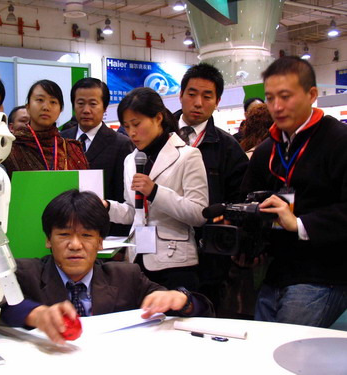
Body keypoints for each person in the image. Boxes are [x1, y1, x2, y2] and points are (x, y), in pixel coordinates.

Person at [1, 190, 213, 344]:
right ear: (48, 239)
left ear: (100, 242)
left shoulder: (126, 276)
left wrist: (182, 299)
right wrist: (36, 314)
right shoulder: (24, 273)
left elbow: (204, 310)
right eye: (64, 235)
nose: (75, 245)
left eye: (86, 236)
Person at [240, 56, 347, 327]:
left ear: (312, 94)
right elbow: (248, 198)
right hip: (275, 272)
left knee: (290, 354)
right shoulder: (267, 150)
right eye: (270, 98)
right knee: (263, 351)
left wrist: (298, 223)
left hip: (323, 274)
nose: (276, 106)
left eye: (285, 96)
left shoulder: (338, 141)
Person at [104, 87, 208, 291]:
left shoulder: (188, 155)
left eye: (136, 124)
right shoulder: (130, 159)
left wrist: (155, 192)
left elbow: (199, 213)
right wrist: (107, 206)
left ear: (158, 118)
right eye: (126, 126)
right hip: (137, 260)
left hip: (175, 262)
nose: (131, 133)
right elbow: (134, 212)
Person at [173, 63, 249, 313]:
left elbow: (240, 198)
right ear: (180, 94)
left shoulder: (228, 148)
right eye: (192, 93)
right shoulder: (157, 137)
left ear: (217, 101)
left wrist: (226, 219)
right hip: (161, 252)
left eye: (207, 96)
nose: (198, 102)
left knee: (206, 317)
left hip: (208, 257)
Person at [61, 78, 134, 236]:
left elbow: (123, 198)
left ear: (105, 107)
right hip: (66, 229)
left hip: (106, 234)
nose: (86, 110)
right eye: (80, 103)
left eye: (93, 104)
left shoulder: (121, 144)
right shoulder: (61, 140)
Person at [3, 79, 88, 174]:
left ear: (60, 109)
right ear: (28, 107)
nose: (46, 107)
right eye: (40, 100)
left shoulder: (72, 149)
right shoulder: (10, 148)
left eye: (53, 102)